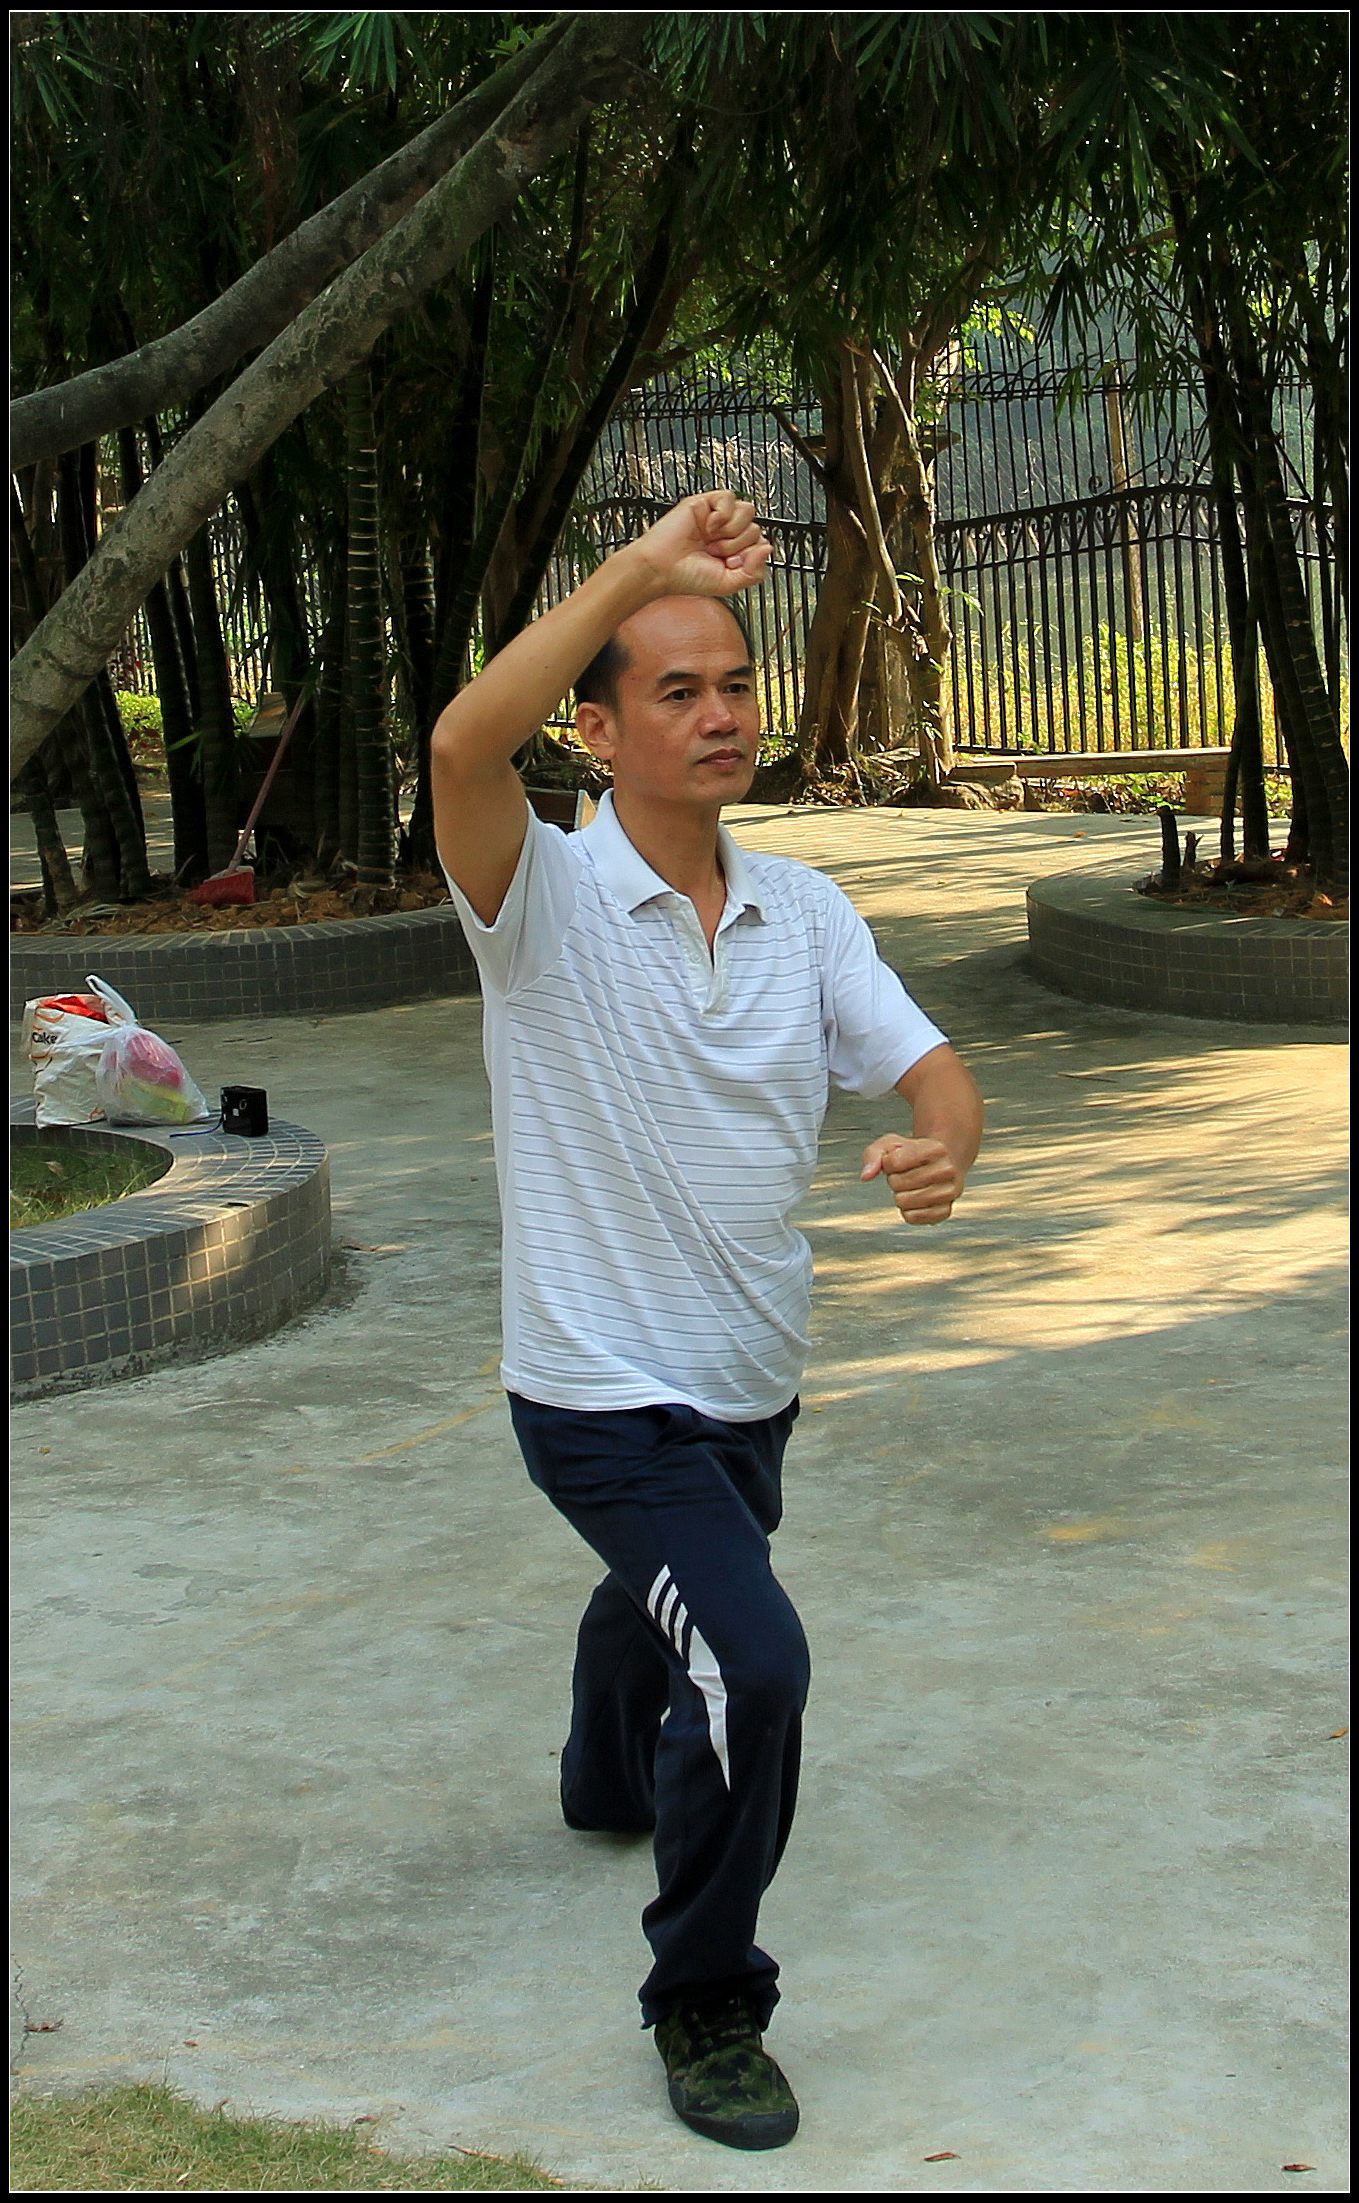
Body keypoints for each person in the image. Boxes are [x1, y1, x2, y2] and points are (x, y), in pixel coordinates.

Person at [430, 490, 984, 2152]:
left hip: (751, 1376)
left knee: (677, 1592)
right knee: (753, 1662)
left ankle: (603, 1775)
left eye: (735, 683)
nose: (722, 713)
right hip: (596, 1394)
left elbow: (929, 1062)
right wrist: (638, 571)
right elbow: (461, 743)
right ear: (595, 732)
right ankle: (707, 1998)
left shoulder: (802, 910)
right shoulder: (538, 901)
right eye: (675, 690)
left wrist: (943, 1136)